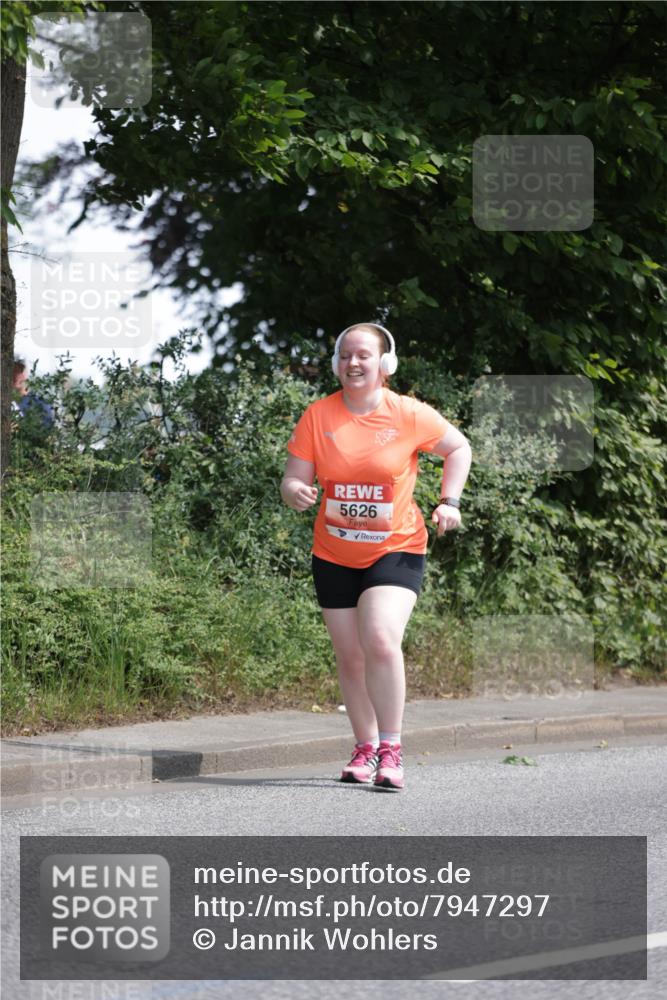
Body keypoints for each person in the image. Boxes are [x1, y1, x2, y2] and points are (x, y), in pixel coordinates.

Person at [280, 322, 472, 791]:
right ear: (336, 364)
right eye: (345, 355)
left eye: (363, 355)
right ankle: (364, 749)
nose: (353, 363)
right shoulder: (318, 416)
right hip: (333, 552)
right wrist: (296, 492)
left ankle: (391, 749)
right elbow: (291, 480)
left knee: (380, 638)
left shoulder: (406, 413)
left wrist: (450, 501)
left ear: (385, 364)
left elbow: (458, 447)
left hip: (396, 548)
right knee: (350, 656)